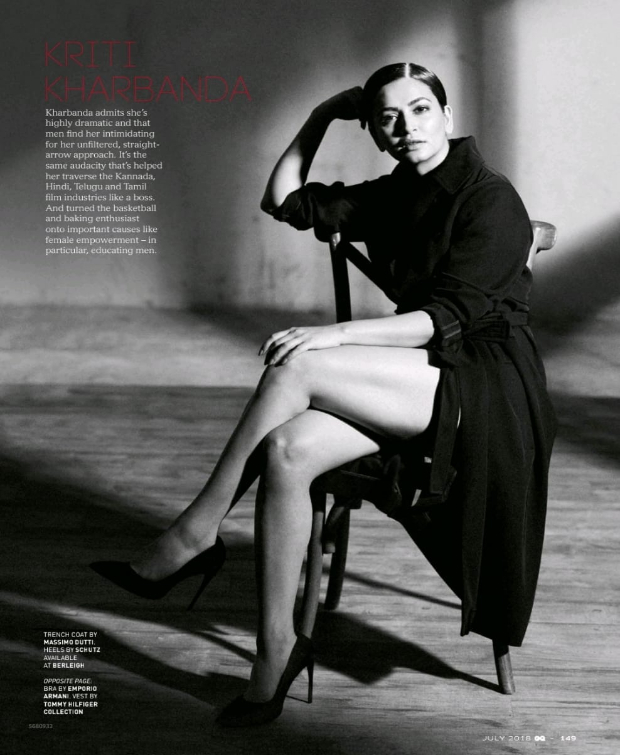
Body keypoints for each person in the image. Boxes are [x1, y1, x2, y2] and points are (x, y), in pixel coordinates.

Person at [91, 63, 556, 727]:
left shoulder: (490, 196)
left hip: (485, 387)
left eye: (421, 110)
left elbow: (442, 321)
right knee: (286, 450)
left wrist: (333, 334)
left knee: (298, 367)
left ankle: (194, 533)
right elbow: (283, 199)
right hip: (416, 374)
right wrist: (322, 115)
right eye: (388, 118)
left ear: (447, 115)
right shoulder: (395, 193)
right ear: (375, 132)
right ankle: (275, 650)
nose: (407, 127)